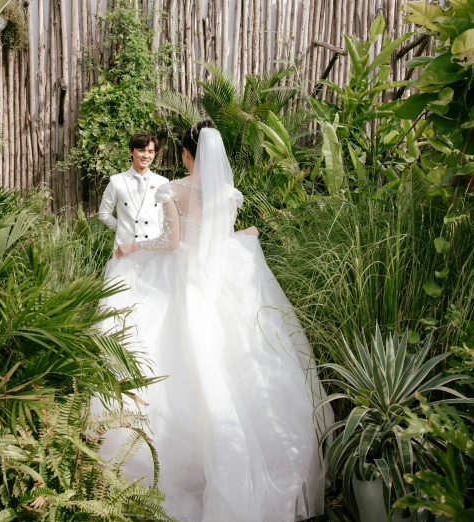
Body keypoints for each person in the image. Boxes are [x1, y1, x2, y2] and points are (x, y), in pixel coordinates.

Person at [95, 121, 332, 522]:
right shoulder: (230, 193)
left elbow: (172, 243)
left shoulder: (173, 190)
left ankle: (176, 470)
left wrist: (136, 245)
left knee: (178, 362)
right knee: (241, 361)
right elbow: (217, 237)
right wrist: (246, 235)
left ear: (188, 155)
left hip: (186, 281)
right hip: (223, 282)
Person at [98, 132, 169, 254]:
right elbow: (104, 214)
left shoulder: (162, 182)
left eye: (150, 152)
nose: (146, 156)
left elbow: (164, 218)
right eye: (141, 150)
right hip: (125, 248)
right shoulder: (117, 181)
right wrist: (123, 230)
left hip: (153, 248)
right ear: (131, 151)